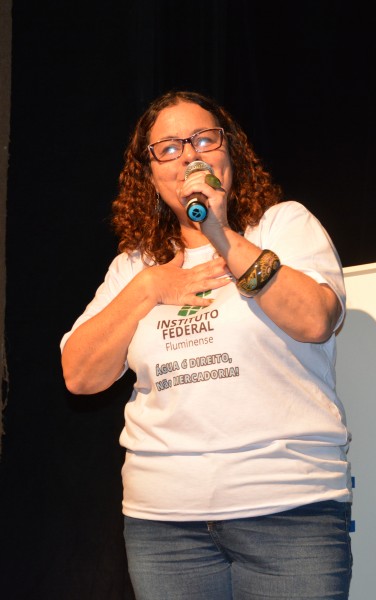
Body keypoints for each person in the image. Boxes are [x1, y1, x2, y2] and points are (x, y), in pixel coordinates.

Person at [60, 90, 352, 600]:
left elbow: (315, 319)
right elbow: (80, 375)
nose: (190, 155)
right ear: (149, 174)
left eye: (203, 139)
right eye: (168, 148)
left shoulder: (282, 225)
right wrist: (151, 288)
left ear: (228, 151)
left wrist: (218, 233)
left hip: (288, 510)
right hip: (164, 525)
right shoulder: (134, 267)